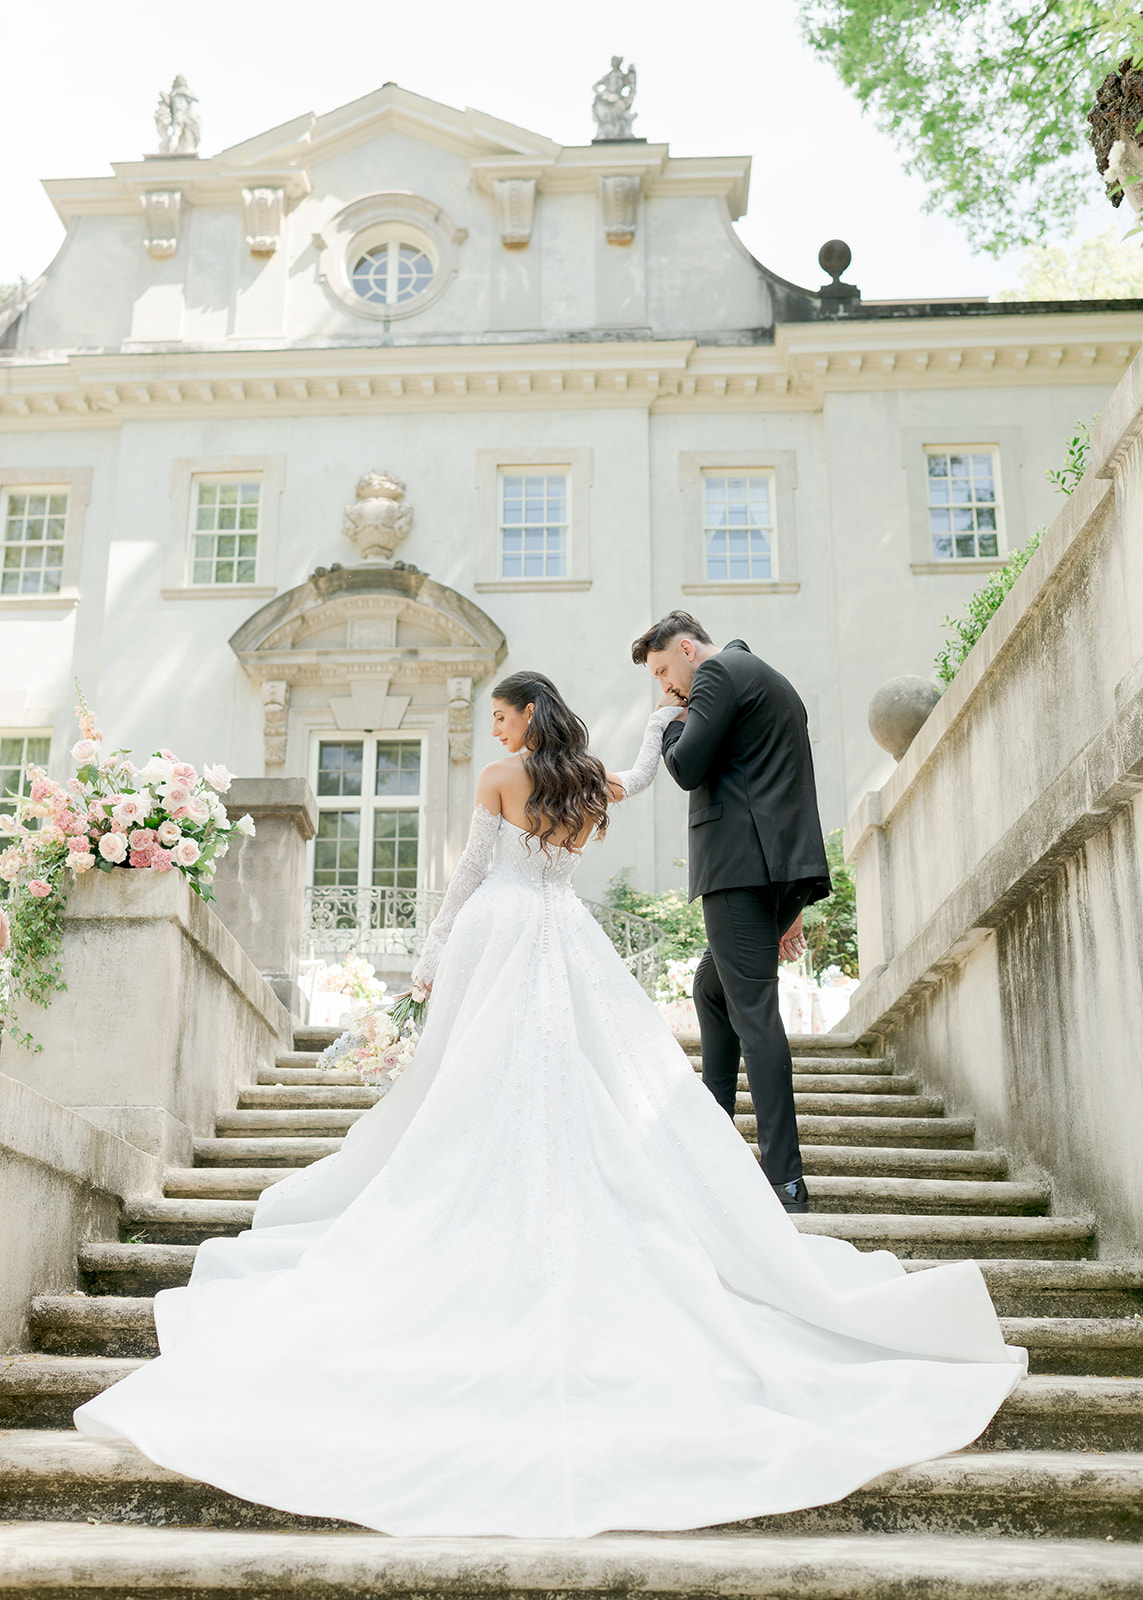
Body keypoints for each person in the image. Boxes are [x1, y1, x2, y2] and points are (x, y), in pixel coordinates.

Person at [74, 671, 1024, 1539]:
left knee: (478, 1081)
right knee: (590, 1072)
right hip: (564, 934)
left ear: (527, 716)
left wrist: (431, 964)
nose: (493, 727)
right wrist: (660, 730)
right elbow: (644, 780)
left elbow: (469, 878)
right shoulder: (593, 786)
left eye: (500, 713)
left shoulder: (498, 780)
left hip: (498, 934)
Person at [632, 613, 830, 1215]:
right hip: (768, 869)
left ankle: (784, 1181)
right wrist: (789, 894)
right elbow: (783, 782)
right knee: (710, 986)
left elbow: (688, 767)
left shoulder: (718, 673)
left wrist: (669, 727)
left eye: (665, 670)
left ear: (688, 649)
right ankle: (713, 1136)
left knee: (754, 1013)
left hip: (740, 871)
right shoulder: (768, 678)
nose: (668, 687)